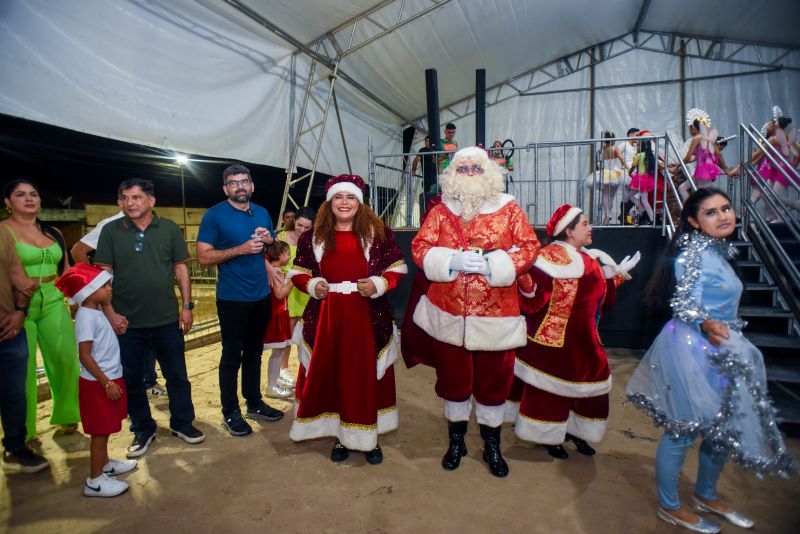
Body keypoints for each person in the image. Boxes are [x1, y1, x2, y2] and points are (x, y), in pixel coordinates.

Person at [627, 188, 795, 532]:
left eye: (727, 208)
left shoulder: (717, 251)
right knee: (683, 430)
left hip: (724, 347)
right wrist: (705, 321)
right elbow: (684, 303)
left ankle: (705, 494)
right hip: (692, 348)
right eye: (711, 212)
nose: (724, 216)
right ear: (693, 221)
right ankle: (669, 505)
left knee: (722, 430)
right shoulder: (692, 254)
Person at [411, 146, 540, 477]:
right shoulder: (441, 212)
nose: (469, 174)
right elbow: (420, 247)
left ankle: (491, 445)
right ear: (453, 175)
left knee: (493, 384)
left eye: (475, 168)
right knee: (453, 382)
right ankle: (456, 441)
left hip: (496, 317)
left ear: (489, 172)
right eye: (463, 169)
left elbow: (529, 248)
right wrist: (450, 260)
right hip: (448, 315)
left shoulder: (509, 210)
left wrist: (494, 263)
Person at [288, 174, 407, 464]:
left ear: (359, 203)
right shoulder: (312, 237)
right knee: (333, 375)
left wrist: (380, 284)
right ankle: (342, 436)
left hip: (366, 314)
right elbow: (299, 271)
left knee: (365, 376)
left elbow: (397, 268)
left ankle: (370, 437)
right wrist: (312, 285)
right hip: (327, 316)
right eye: (339, 197)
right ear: (329, 203)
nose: (344, 202)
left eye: (350, 197)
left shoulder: (379, 235)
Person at [506, 205, 640, 459]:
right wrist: (522, 276)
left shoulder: (591, 258)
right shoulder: (547, 259)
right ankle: (548, 435)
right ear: (568, 230)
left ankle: (579, 432)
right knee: (551, 390)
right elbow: (532, 301)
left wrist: (617, 275)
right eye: (585, 224)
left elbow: (601, 302)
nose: (590, 228)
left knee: (591, 389)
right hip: (554, 339)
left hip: (586, 339)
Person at [95, 178, 204, 458]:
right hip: (126, 323)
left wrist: (187, 306)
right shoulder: (110, 231)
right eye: (124, 198)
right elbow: (103, 275)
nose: (129, 203)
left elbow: (180, 269)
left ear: (151, 201)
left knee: (177, 376)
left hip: (167, 319)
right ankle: (143, 429)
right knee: (131, 379)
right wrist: (110, 313)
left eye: (136, 197)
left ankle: (182, 423)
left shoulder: (168, 229)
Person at [197, 164, 283, 437]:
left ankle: (254, 403)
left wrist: (270, 241)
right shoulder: (214, 216)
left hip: (260, 295)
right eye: (233, 183)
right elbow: (203, 257)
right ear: (226, 188)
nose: (240, 186)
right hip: (232, 298)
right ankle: (230, 411)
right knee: (232, 356)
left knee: (255, 353)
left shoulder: (262, 212)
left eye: (244, 181)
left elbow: (272, 248)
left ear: (252, 185)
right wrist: (240, 249)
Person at [2, 179, 80, 444]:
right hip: (15, 305)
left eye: (33, 194)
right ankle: (23, 431)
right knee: (21, 371)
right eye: (20, 194)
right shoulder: (3, 232)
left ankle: (68, 414)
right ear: (7, 202)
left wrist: (76, 300)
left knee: (65, 358)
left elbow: (66, 268)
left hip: (53, 297)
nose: (29, 198)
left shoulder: (53, 232)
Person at [55, 263, 137, 497]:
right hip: (99, 384)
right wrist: (106, 383)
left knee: (108, 427)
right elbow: (85, 355)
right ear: (87, 290)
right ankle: (95, 480)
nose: (109, 289)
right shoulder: (86, 317)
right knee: (99, 432)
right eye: (103, 285)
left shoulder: (96, 312)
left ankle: (105, 465)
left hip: (110, 377)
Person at [72, 211, 165, 398]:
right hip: (116, 298)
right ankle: (121, 388)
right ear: (120, 201)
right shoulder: (110, 224)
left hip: (144, 297)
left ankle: (148, 381)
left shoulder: (151, 223)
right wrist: (95, 286)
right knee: (123, 344)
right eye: (128, 197)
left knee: (149, 340)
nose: (135, 202)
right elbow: (78, 250)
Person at [0, 225, 48, 473]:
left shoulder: (3, 235)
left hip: (8, 326)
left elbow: (21, 278)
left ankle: (15, 447)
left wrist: (20, 311)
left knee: (14, 391)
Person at [274, 206, 315, 390]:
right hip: (287, 292)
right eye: (299, 225)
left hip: (306, 292)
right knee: (286, 335)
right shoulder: (281, 239)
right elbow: (272, 262)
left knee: (305, 335)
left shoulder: (315, 241)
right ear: (293, 221)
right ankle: (283, 371)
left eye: (307, 227)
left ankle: (305, 370)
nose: (302, 230)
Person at [678, 109, 733, 201]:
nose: (690, 130)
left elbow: (688, 157)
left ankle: (696, 211)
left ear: (694, 127)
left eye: (690, 128)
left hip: (703, 170)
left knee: (702, 197)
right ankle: (690, 209)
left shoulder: (697, 138)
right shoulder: (707, 138)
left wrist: (678, 166)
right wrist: (725, 168)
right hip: (703, 170)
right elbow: (717, 155)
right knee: (682, 188)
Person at [262, 240, 294, 399]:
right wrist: (293, 280)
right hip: (276, 316)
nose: (289, 257)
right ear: (280, 255)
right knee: (278, 351)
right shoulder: (276, 272)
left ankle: (273, 382)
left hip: (277, 314)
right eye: (287, 254)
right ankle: (271, 385)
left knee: (278, 351)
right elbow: (280, 294)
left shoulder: (273, 270)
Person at [586, 131, 626, 225]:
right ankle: (608, 215)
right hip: (615, 174)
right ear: (612, 140)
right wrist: (628, 168)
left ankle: (608, 215)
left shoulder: (600, 151)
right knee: (611, 196)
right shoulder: (615, 150)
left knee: (605, 195)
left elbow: (597, 165)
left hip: (604, 174)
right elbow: (622, 159)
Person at [628, 136, 657, 225]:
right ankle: (646, 213)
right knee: (641, 198)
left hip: (640, 178)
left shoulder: (639, 155)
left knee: (635, 197)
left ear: (641, 147)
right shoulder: (650, 156)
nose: (637, 147)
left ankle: (648, 214)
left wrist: (630, 173)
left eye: (638, 146)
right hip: (647, 178)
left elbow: (633, 166)